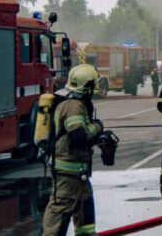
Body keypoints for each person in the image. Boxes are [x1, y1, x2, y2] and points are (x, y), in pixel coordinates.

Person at [42, 64, 104, 236]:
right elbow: (77, 134)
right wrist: (97, 127)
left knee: (85, 215)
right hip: (68, 172)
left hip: (79, 173)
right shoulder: (73, 105)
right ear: (88, 86)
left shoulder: (78, 103)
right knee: (59, 212)